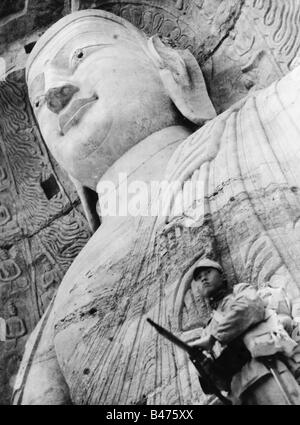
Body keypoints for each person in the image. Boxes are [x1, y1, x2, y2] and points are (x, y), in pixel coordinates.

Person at [13, 8, 300, 405]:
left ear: (173, 67)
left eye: (80, 56)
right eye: (39, 101)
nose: (55, 93)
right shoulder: (55, 314)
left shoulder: (269, 120)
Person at [190, 258, 300, 405]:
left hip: (267, 371)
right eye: (198, 277)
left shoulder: (240, 291)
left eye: (208, 272)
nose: (203, 278)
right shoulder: (207, 330)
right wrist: (202, 367)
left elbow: (249, 307)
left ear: (222, 276)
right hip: (239, 393)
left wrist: (214, 338)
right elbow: (218, 383)